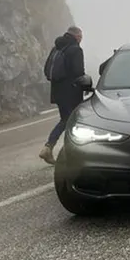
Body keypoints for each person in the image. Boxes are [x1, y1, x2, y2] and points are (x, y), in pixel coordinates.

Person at [39, 26, 86, 164]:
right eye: (80, 36)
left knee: (66, 120)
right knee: (72, 121)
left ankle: (51, 148)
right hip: (72, 92)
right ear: (76, 36)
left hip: (57, 92)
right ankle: (57, 149)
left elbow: (47, 70)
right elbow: (79, 72)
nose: (81, 39)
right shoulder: (75, 49)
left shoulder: (56, 48)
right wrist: (86, 85)